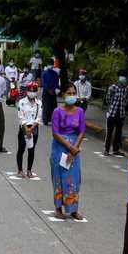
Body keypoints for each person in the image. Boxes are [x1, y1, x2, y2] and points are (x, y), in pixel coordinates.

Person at [49, 83, 86, 220]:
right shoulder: (57, 111)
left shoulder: (80, 111)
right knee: (58, 177)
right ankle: (58, 208)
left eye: (73, 93)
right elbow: (55, 133)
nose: (71, 96)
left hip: (74, 147)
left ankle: (73, 209)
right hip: (59, 147)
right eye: (69, 93)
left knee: (74, 178)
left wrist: (74, 149)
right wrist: (70, 148)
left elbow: (82, 131)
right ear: (63, 95)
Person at [16, 81, 42, 178]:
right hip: (24, 127)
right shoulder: (22, 102)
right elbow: (20, 116)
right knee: (21, 149)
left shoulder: (39, 103)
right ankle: (20, 170)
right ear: (27, 91)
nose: (32, 92)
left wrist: (31, 129)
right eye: (30, 90)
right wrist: (26, 129)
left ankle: (29, 170)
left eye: (34, 90)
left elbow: (39, 118)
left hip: (34, 128)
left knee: (31, 150)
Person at [103, 70, 128, 157]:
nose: (123, 78)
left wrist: (123, 106)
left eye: (124, 76)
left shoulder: (127, 88)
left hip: (121, 114)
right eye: (121, 76)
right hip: (112, 113)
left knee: (118, 133)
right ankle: (106, 149)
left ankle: (116, 149)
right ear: (118, 77)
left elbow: (127, 99)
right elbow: (108, 99)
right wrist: (111, 106)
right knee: (109, 132)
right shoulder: (112, 87)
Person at [41, 60, 59, 125]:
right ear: (47, 65)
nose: (50, 65)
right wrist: (48, 90)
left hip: (53, 92)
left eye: (51, 64)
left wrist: (53, 89)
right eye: (49, 64)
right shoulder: (44, 73)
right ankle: (45, 120)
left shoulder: (55, 74)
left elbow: (56, 83)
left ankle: (54, 120)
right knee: (46, 106)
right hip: (46, 92)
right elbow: (43, 83)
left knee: (53, 106)